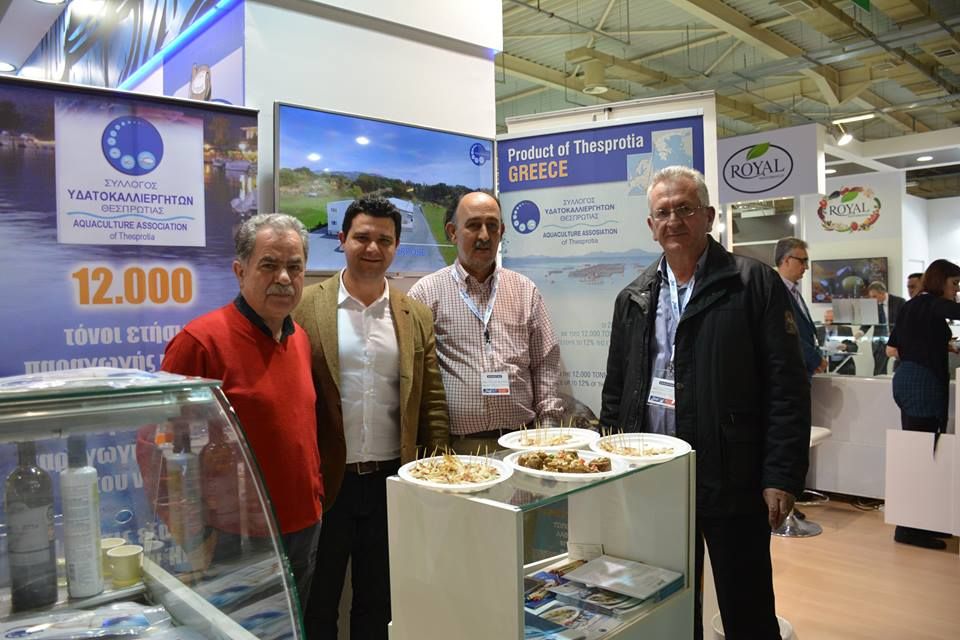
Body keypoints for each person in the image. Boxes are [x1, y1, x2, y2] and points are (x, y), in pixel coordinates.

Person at [600, 166, 810, 640]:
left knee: (747, 607)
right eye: (663, 212)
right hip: (653, 477)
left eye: (685, 209)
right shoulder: (633, 297)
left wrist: (781, 474)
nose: (673, 220)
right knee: (667, 604)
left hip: (731, 475)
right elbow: (616, 390)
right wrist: (611, 464)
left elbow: (787, 387)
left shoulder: (753, 284)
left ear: (709, 216)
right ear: (651, 225)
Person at [292, 196, 449, 640]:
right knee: (318, 601)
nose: (373, 248)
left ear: (397, 246)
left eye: (385, 239)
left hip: (390, 481)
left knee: (378, 603)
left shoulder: (414, 314)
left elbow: (431, 399)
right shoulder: (305, 307)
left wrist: (439, 473)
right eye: (362, 237)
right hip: (327, 483)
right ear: (342, 239)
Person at [160, 213, 323, 608]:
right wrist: (193, 536)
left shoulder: (299, 339)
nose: (283, 278)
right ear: (240, 271)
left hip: (304, 527)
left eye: (294, 267)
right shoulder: (200, 342)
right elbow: (160, 447)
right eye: (269, 265)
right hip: (234, 539)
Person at [408, 191, 563, 454]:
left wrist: (547, 432)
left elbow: (545, 363)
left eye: (492, 226)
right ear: (452, 232)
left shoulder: (525, 290)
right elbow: (415, 377)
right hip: (458, 449)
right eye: (473, 225)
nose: (484, 235)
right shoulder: (426, 293)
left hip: (522, 444)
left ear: (501, 231)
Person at [886, 259, 960, 550]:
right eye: (954, 284)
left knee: (921, 452)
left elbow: (895, 345)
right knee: (920, 455)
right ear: (940, 281)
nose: (956, 291)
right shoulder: (931, 303)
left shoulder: (913, 305)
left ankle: (921, 521)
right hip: (921, 383)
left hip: (909, 378)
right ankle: (908, 529)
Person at [775, 237, 826, 377]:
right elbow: (786, 334)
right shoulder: (775, 291)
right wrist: (815, 359)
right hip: (788, 373)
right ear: (786, 260)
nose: (806, 267)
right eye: (802, 261)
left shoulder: (794, 291)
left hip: (801, 371)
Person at [867, 281, 905, 375]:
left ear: (883, 293)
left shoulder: (899, 302)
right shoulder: (873, 305)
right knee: (879, 370)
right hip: (879, 342)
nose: (872, 300)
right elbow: (868, 321)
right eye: (871, 297)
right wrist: (860, 332)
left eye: (874, 296)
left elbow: (905, 321)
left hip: (896, 341)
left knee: (899, 368)